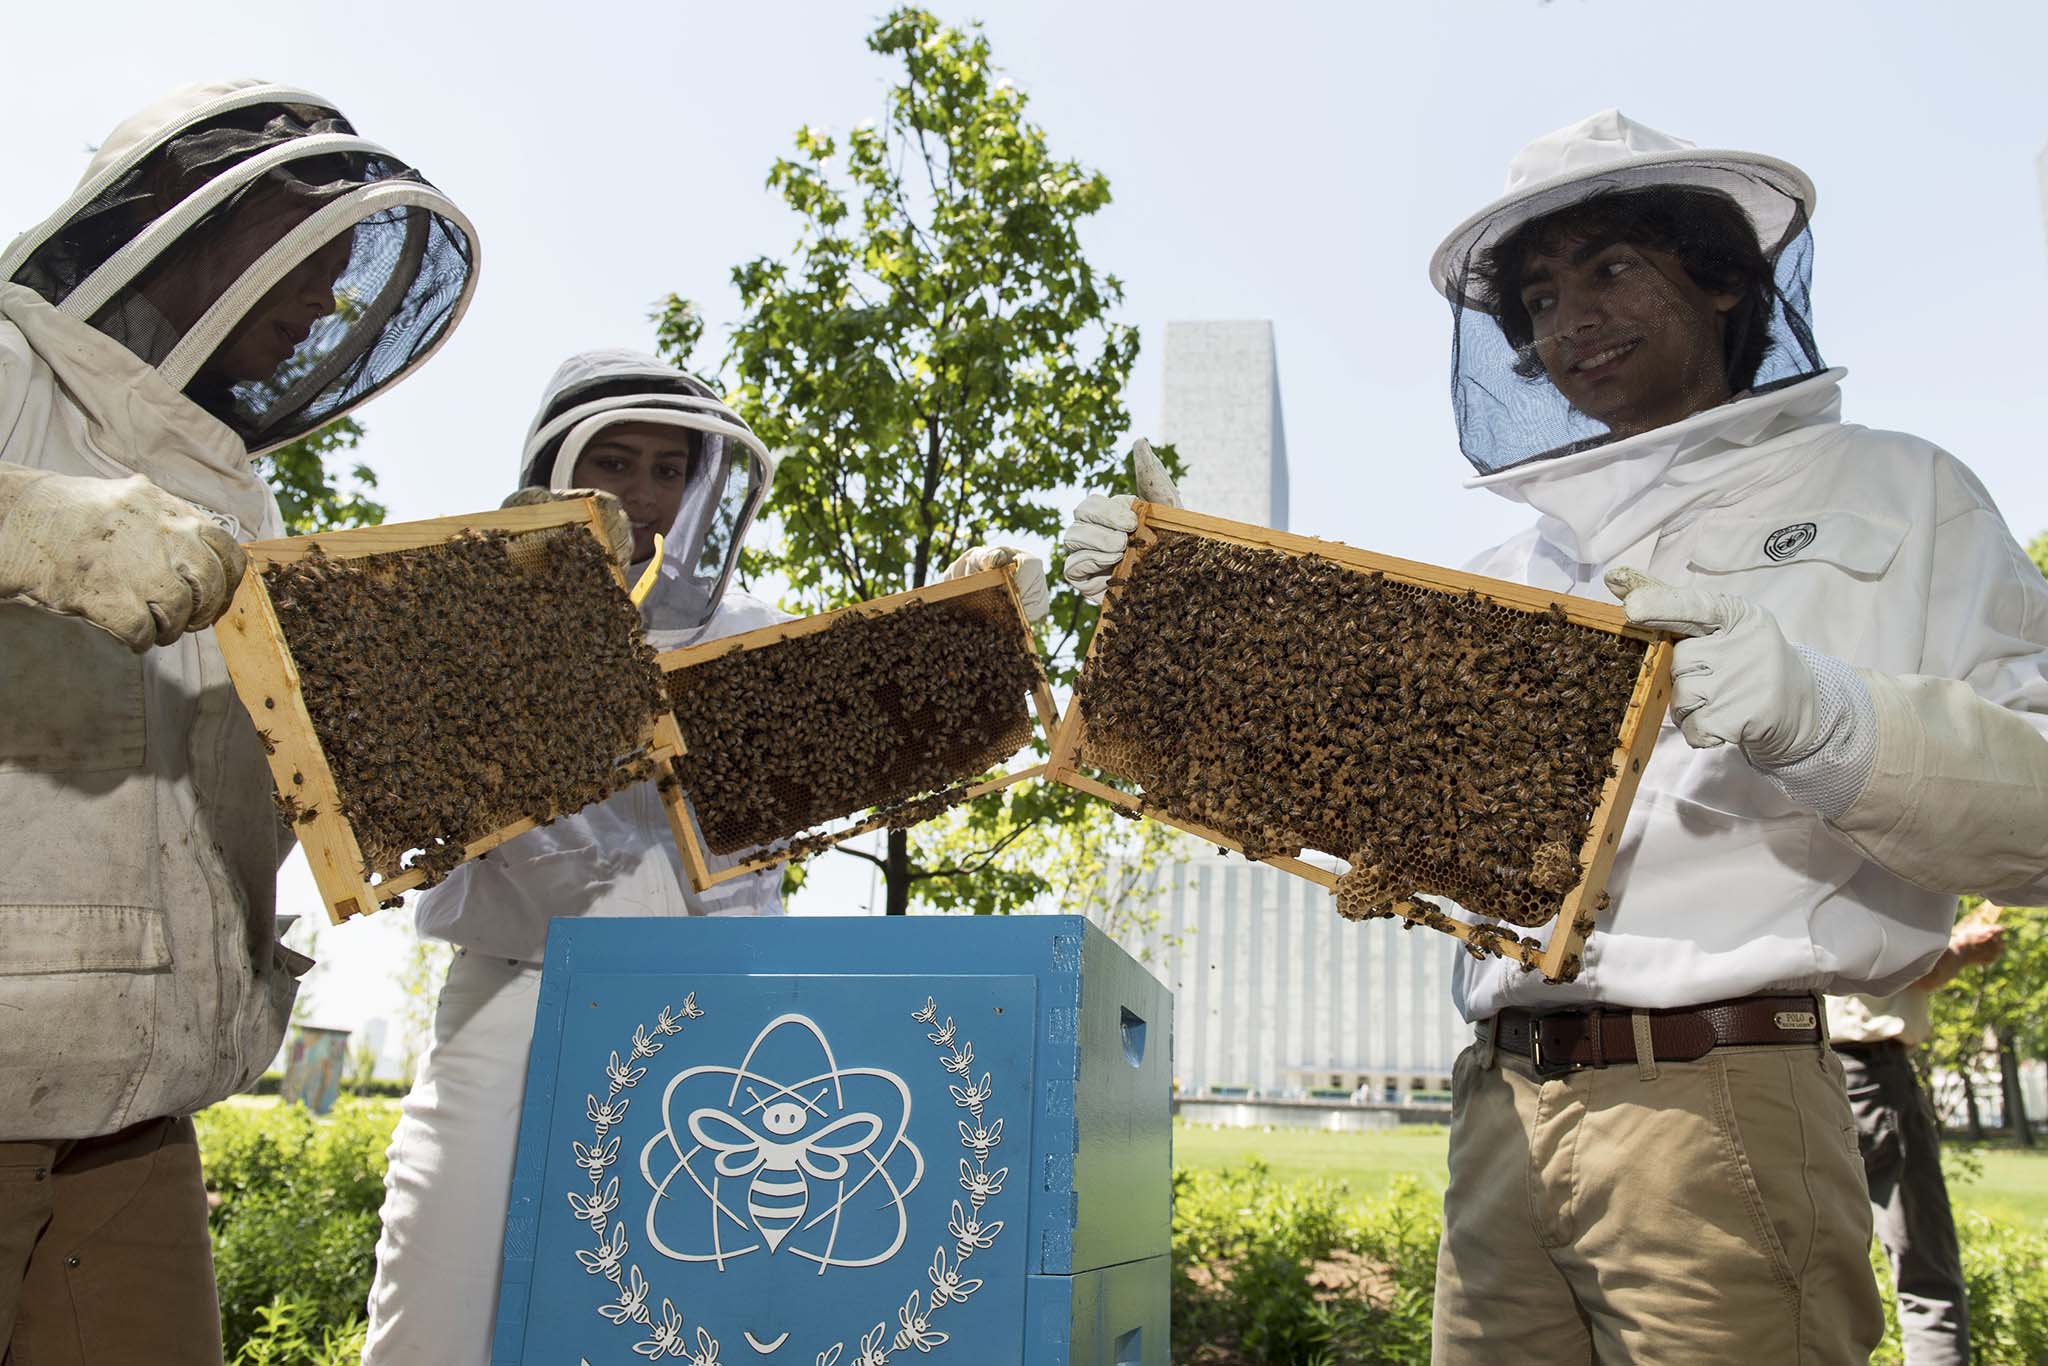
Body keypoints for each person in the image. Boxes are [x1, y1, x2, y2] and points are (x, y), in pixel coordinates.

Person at [1063, 110, 2048, 1362]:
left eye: (1611, 266)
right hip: (1499, 1110)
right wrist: (1178, 622)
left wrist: (1821, 714)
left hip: (1718, 1106)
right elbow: (1365, 806)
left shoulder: (1896, 493)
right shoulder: (1515, 566)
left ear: (1725, 276)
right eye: (1536, 293)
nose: (1567, 317)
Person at [358, 349, 1048, 1362]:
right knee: (437, 1307)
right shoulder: (474, 632)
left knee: (685, 1319)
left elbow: (907, 723)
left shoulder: (757, 633)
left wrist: (969, 629)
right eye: (614, 462)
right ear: (557, 467)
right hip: (516, 999)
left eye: (669, 469)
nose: (642, 495)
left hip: (717, 1014)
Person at [0, 80, 479, 1364]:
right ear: (178, 210)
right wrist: (24, 524)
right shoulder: (7, 362)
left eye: (343, 270)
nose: (327, 300)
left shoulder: (233, 495)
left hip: (134, 1114)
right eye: (305, 254)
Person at [1830, 906, 2008, 1364]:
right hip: (1871, 1075)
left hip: (1801, 1066)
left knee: (1815, 1270)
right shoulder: (1874, 864)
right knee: (1927, 1275)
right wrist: (1962, 949)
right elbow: (1912, 969)